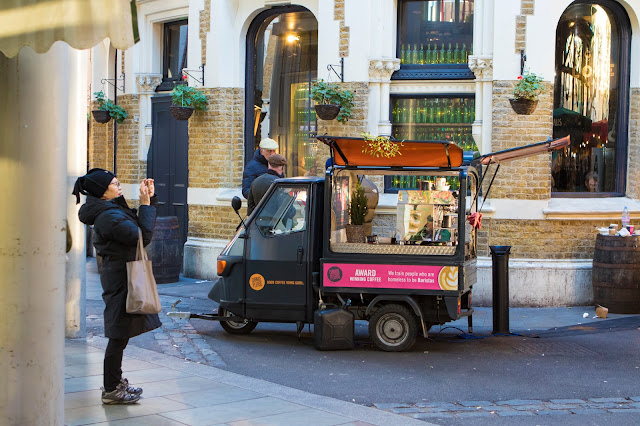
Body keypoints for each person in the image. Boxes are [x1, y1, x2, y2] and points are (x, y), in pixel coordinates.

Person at [73, 168, 161, 405]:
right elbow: (142, 236)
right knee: (118, 332)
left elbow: (135, 224)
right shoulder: (107, 217)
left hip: (122, 274)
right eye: (114, 183)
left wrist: (149, 199)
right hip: (120, 277)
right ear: (102, 192)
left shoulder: (110, 210)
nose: (119, 185)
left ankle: (115, 383)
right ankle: (111, 388)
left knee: (121, 332)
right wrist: (145, 204)